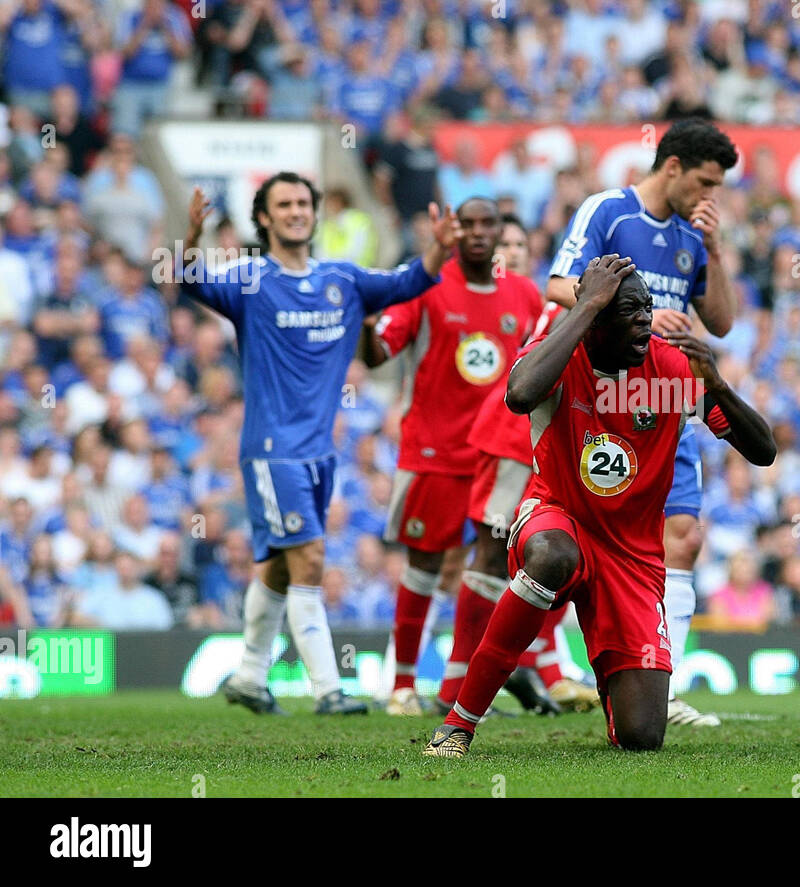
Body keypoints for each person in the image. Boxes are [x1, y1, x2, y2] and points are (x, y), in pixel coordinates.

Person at [424, 255, 775, 758]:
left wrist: (717, 386)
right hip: (556, 517)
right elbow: (519, 395)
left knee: (642, 737)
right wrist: (585, 303)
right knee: (552, 557)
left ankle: (615, 688)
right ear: (594, 317)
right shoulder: (559, 355)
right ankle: (459, 723)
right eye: (629, 310)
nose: (645, 320)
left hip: (632, 555)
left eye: (648, 308)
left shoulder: (672, 369)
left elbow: (763, 453)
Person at [180, 171, 453, 715]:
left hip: (320, 454)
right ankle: (329, 690)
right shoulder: (251, 280)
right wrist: (192, 235)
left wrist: (439, 249)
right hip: (273, 449)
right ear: (264, 217)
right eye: (284, 204)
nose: (296, 211)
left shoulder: (343, 279)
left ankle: (250, 678)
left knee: (281, 567)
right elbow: (190, 281)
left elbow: (407, 283)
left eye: (304, 202)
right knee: (309, 558)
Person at [546, 117, 739, 728]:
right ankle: (554, 665)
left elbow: (723, 322)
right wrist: (642, 319)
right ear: (673, 166)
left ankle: (664, 678)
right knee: (584, 540)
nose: (710, 196)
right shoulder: (611, 210)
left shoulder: (692, 233)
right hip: (601, 402)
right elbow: (556, 286)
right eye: (705, 183)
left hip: (666, 397)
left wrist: (713, 248)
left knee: (685, 536)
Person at [358, 198, 542, 717]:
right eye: (470, 224)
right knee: (423, 564)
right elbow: (378, 352)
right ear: (453, 231)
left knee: (492, 566)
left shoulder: (524, 294)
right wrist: (363, 323)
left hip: (499, 455)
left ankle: (457, 690)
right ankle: (401, 686)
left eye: (491, 225)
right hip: (434, 452)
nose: (481, 234)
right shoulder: (427, 288)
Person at [460, 214, 596, 712]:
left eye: (522, 244)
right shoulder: (542, 304)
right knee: (489, 556)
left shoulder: (542, 303)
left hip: (542, 446)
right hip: (507, 440)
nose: (513, 252)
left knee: (553, 557)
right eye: (505, 244)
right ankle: (455, 682)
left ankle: (542, 668)